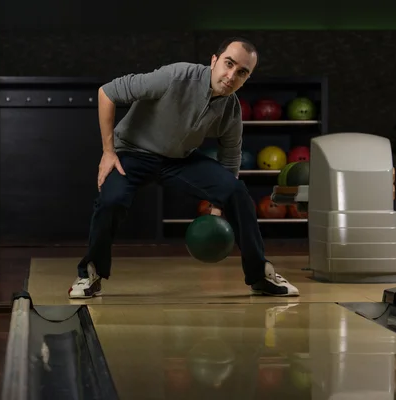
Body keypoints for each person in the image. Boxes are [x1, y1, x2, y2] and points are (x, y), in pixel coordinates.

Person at [69, 37, 300, 299]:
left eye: (242, 72)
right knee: (111, 201)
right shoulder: (175, 77)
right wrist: (108, 152)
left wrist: (217, 204)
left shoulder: (230, 107)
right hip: (132, 152)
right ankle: (90, 273)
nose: (231, 75)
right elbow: (107, 92)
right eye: (228, 64)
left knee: (235, 191)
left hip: (179, 160)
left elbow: (230, 156)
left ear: (247, 78)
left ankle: (260, 276)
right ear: (214, 61)